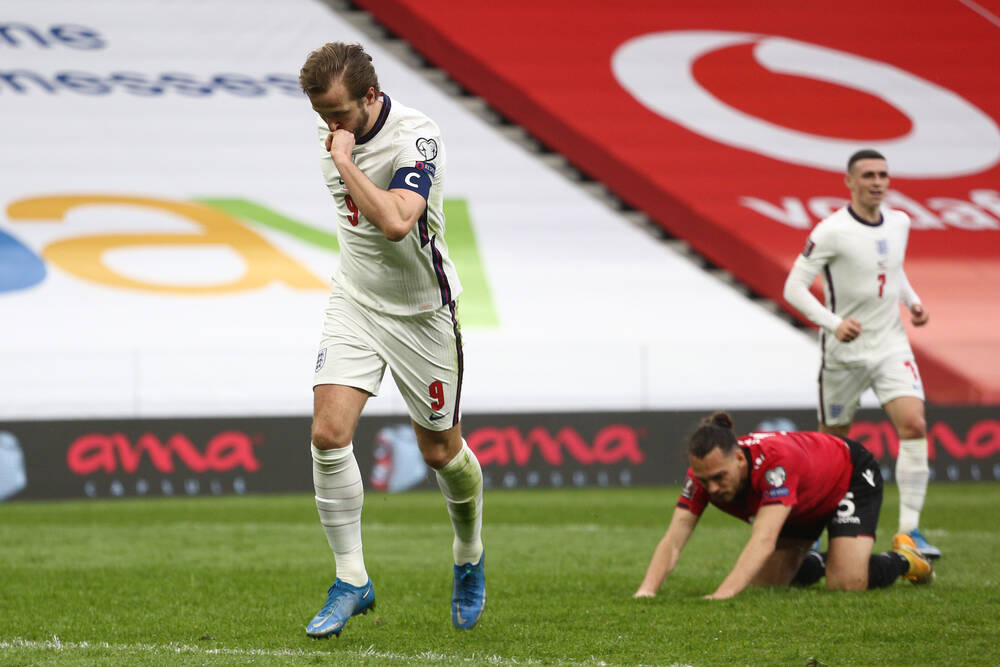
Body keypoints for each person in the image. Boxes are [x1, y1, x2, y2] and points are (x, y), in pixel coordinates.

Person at [298, 42, 485, 638]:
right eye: (322, 118)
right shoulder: (335, 135)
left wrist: (348, 161)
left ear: (372, 97)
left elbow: (399, 221)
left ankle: (468, 553)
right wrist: (342, 145)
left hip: (422, 312)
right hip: (355, 300)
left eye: (341, 116)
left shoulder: (416, 136)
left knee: (440, 453)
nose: (331, 129)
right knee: (328, 435)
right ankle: (352, 579)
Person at [782, 148, 940, 559]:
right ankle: (813, 528)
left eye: (883, 175)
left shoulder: (900, 222)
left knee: (915, 425)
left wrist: (913, 301)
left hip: (890, 343)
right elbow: (793, 287)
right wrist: (833, 324)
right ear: (849, 182)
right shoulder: (831, 230)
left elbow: (892, 266)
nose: (877, 182)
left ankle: (910, 531)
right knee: (832, 444)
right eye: (868, 175)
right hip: (844, 352)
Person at [633, 412, 934, 599]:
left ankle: (906, 558)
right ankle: (824, 561)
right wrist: (646, 591)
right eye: (704, 480)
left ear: (738, 459)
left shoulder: (775, 464)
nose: (711, 488)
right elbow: (673, 540)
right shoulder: (702, 477)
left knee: (846, 583)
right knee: (767, 586)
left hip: (846, 476)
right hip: (800, 502)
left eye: (719, 477)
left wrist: (722, 594)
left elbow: (763, 540)